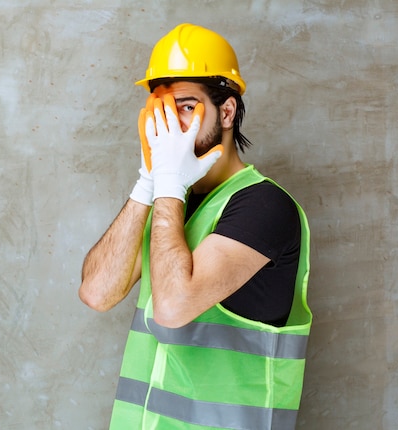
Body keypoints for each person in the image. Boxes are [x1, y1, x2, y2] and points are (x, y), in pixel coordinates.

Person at [79, 23, 312, 430]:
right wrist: (148, 181)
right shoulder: (172, 202)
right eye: (161, 108)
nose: (171, 123)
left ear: (227, 111)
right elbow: (97, 293)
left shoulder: (263, 206)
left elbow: (172, 308)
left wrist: (167, 184)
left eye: (186, 106)